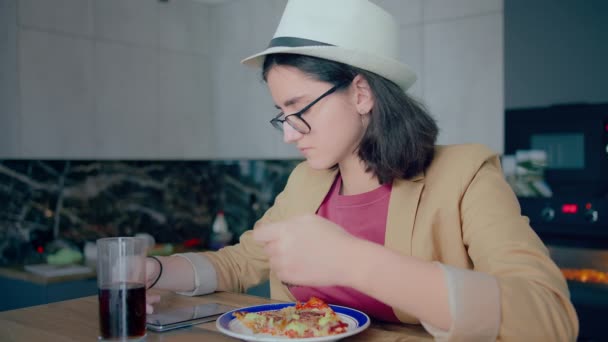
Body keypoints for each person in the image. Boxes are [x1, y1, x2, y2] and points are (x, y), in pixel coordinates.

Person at [145, 0, 578, 340]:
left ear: (362, 93)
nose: (289, 135)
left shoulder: (466, 174)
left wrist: (353, 261)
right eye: (282, 114)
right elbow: (240, 263)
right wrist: (156, 272)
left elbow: (550, 319)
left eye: (300, 109)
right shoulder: (306, 182)